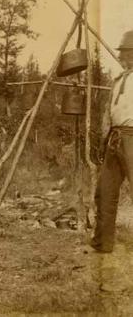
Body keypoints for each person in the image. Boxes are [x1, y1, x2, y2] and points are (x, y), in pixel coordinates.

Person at [91, 30, 133, 253]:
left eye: (127, 52)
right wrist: (104, 138)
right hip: (115, 139)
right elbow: (110, 112)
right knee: (105, 192)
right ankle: (103, 243)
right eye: (123, 53)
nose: (123, 57)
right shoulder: (118, 80)